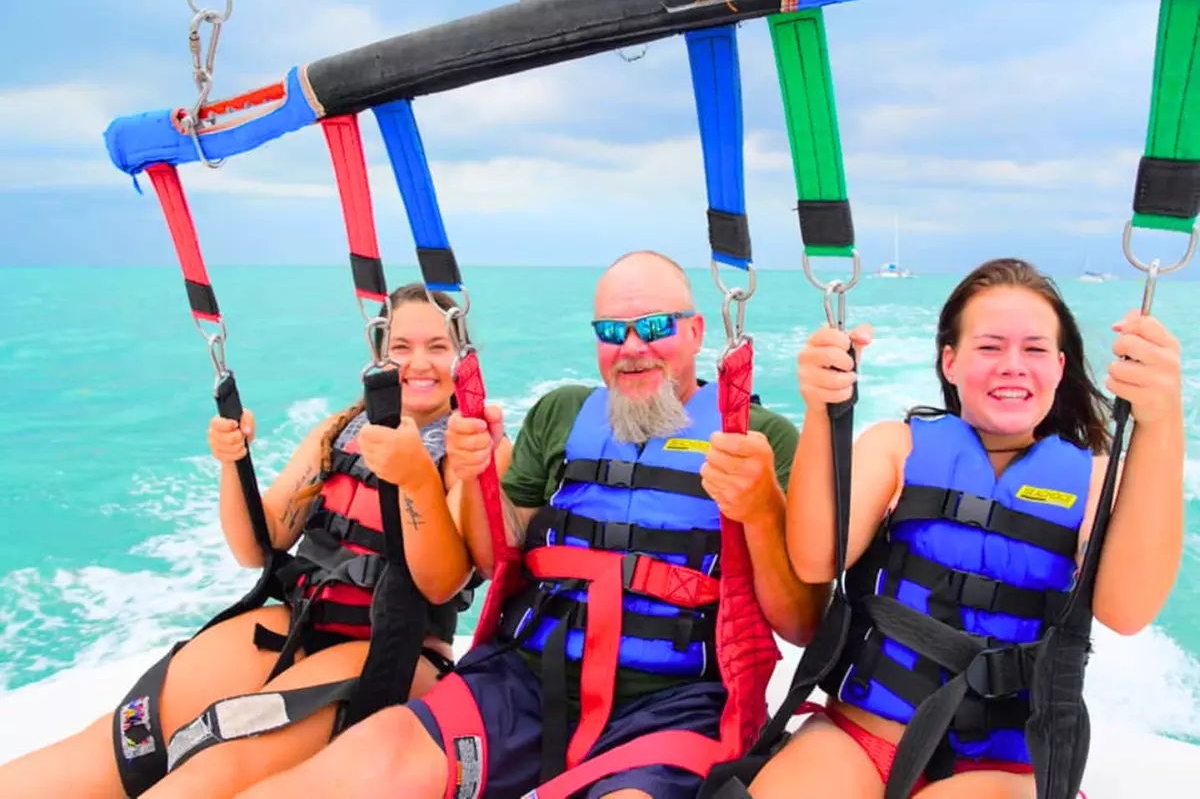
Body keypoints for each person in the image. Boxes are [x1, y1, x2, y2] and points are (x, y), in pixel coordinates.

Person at [233, 249, 831, 799]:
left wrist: (759, 508)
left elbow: (802, 624)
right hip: (522, 682)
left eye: (653, 327)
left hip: (670, 705)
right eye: (610, 331)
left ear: (696, 331)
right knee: (379, 751)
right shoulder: (561, 412)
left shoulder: (758, 438)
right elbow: (496, 557)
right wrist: (472, 479)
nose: (631, 347)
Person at [0, 283, 498, 799]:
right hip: (297, 623)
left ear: (462, 355)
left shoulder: (473, 447)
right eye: (401, 347)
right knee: (128, 742)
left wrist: (416, 477)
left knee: (218, 760)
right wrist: (232, 460)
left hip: (393, 652)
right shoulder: (343, 429)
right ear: (378, 355)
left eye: (438, 347)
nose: (419, 363)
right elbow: (259, 545)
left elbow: (441, 584)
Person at [747, 258, 1185, 798]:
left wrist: (1162, 419)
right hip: (859, 737)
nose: (1012, 364)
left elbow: (1127, 610)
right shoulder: (896, 447)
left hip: (999, 772)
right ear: (950, 363)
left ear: (1060, 367)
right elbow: (816, 558)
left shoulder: (1093, 481)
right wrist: (822, 407)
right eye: (990, 346)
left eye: (1034, 349)